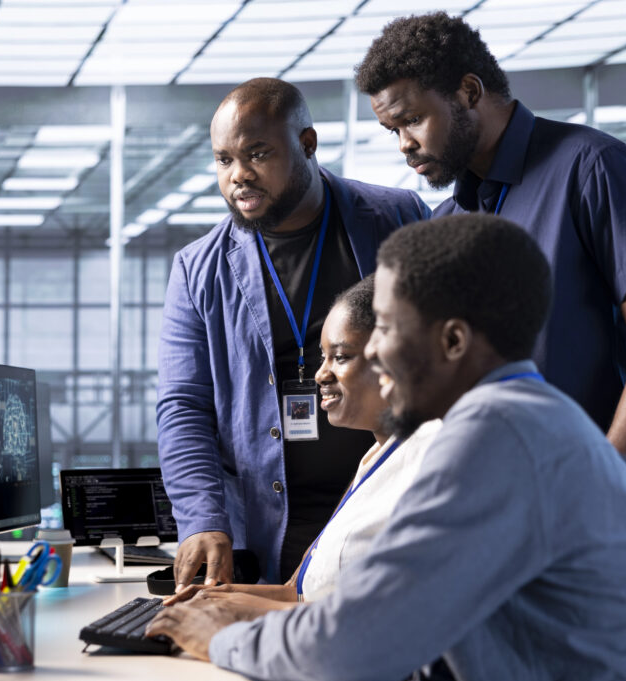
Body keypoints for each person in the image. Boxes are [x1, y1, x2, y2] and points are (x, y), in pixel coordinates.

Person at [148, 214, 626, 681]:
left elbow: (349, 646)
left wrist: (218, 638)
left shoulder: (490, 440)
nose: (375, 354)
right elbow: (371, 615)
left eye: (385, 328)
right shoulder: (542, 420)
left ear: (453, 341)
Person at [353, 12, 626, 490]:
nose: (405, 145)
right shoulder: (447, 221)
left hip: (591, 519)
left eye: (412, 120)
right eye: (393, 130)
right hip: (490, 513)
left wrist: (603, 488)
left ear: (468, 92)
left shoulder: (593, 168)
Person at [157, 77, 432, 587]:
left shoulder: (398, 219)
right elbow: (183, 406)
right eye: (223, 160)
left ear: (306, 144)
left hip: (388, 507)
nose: (239, 175)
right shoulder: (198, 269)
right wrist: (202, 519)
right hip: (270, 528)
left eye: (257, 153)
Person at [168, 276, 443, 610]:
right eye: (323, 357)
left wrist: (231, 621)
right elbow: (299, 593)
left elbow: (378, 616)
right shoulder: (377, 457)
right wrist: (211, 599)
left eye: (340, 357)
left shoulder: (431, 459)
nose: (320, 374)